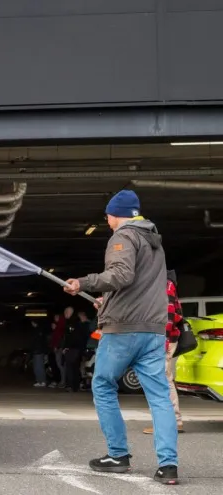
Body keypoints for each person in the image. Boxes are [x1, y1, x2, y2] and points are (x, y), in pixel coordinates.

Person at [64, 189, 178, 485]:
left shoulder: (123, 236)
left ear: (118, 214)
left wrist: (84, 282)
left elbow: (121, 275)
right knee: (160, 397)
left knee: (102, 384)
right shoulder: (154, 242)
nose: (107, 219)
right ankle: (168, 466)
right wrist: (108, 302)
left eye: (108, 214)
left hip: (124, 331)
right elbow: (139, 286)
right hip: (153, 330)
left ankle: (118, 455)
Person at [144, 270, 184, 435]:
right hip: (164, 338)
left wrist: (164, 341)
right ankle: (172, 420)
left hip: (164, 339)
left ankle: (171, 421)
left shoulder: (165, 285)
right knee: (164, 378)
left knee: (162, 379)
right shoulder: (165, 283)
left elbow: (168, 315)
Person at [62, 307, 89, 393]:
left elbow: (71, 337)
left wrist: (66, 347)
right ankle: (75, 386)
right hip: (78, 348)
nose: (65, 314)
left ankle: (70, 385)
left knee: (70, 367)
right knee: (76, 368)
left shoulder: (72, 323)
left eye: (66, 312)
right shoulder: (80, 324)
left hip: (73, 349)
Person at [48, 311, 67, 388]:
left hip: (60, 348)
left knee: (61, 365)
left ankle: (63, 381)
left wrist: (56, 346)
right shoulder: (58, 327)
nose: (55, 319)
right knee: (60, 365)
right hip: (58, 348)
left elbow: (59, 338)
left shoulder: (60, 327)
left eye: (56, 317)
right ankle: (62, 381)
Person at [30, 319, 50, 387]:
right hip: (35, 351)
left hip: (39, 351)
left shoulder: (40, 330)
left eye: (32, 322)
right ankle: (38, 381)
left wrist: (44, 352)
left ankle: (43, 381)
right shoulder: (35, 330)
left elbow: (43, 342)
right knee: (36, 367)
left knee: (40, 367)